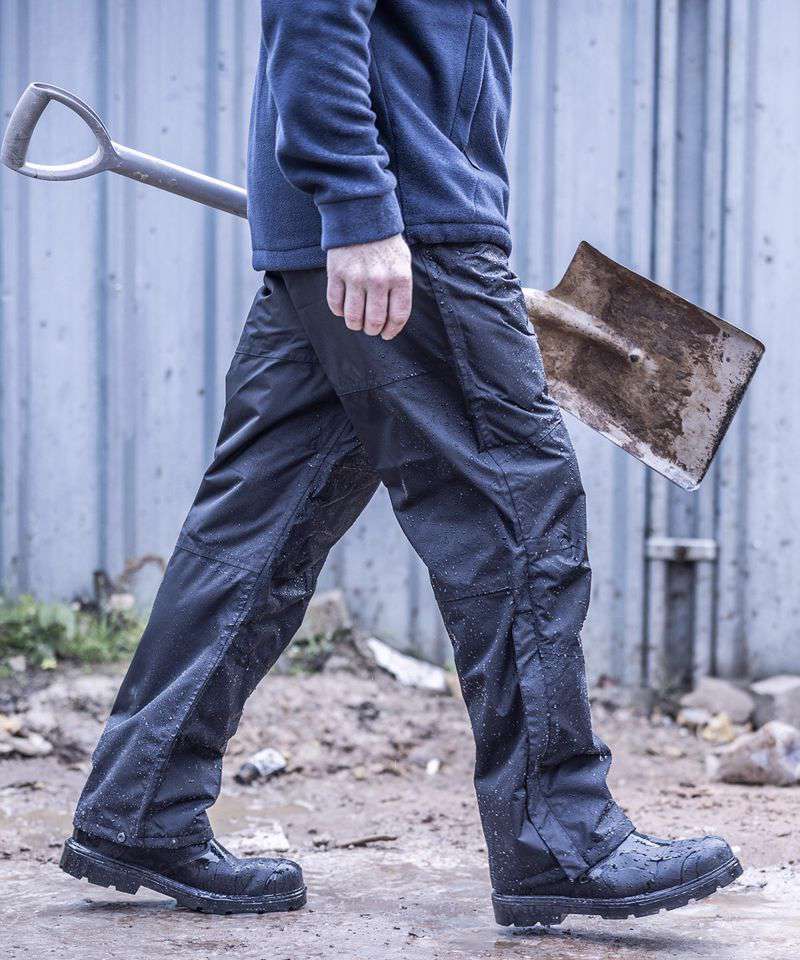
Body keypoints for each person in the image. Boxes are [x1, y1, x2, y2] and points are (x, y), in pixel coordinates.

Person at [60, 0, 741, 924]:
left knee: (257, 529)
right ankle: (561, 834)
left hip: (347, 238)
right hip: (401, 229)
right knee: (517, 513)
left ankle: (139, 806)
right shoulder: (377, 212)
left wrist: (347, 211)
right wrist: (358, 204)